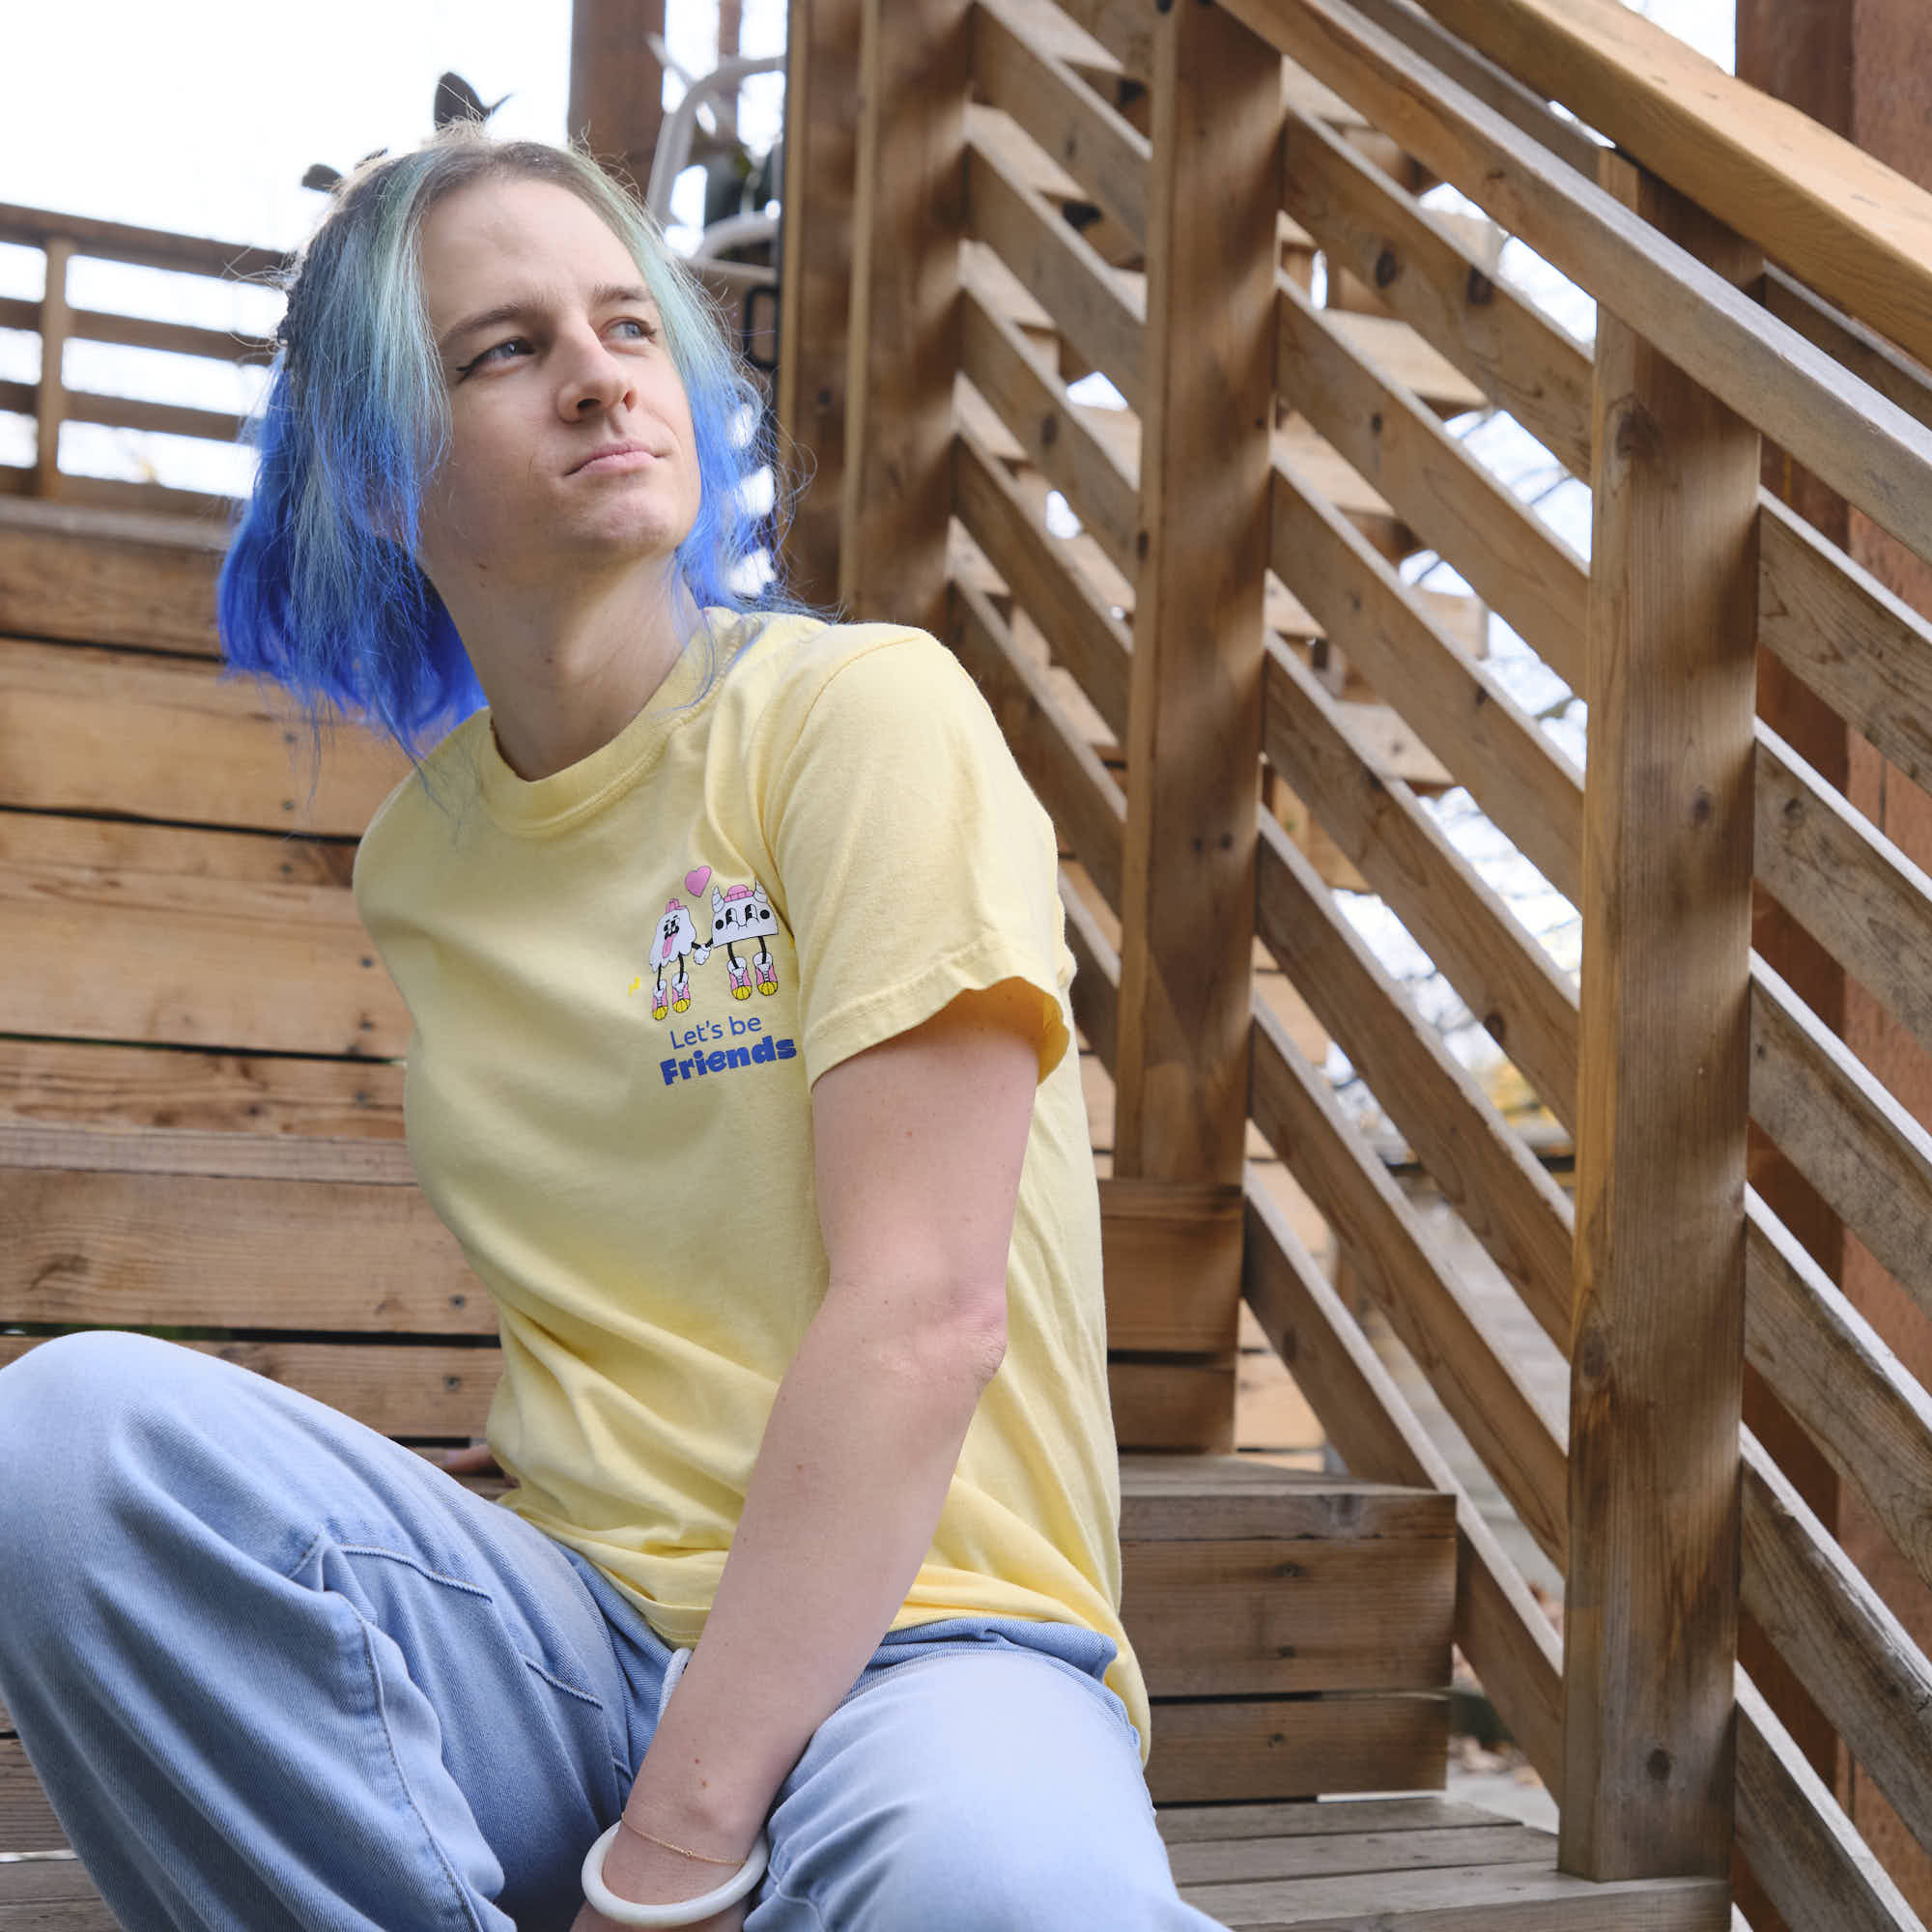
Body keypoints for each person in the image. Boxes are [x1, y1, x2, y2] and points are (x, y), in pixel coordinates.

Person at [0, 128, 1224, 1930]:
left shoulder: (860, 720)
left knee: (1007, 1892)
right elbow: (630, 1274)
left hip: (928, 1642)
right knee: (67, 1437)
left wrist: (668, 1852)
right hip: (569, 1637)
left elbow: (928, 1312)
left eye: (627, 326)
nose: (596, 377)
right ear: (375, 476)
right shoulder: (426, 860)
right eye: (503, 350)